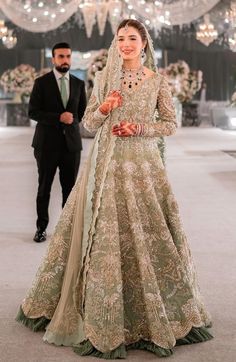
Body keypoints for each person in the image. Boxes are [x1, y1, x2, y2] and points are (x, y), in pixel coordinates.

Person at [17, 20, 213, 358]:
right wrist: (105, 108)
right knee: (104, 233)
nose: (125, 44)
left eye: (132, 39)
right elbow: (89, 122)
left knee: (147, 231)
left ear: (144, 44)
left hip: (143, 167)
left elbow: (170, 125)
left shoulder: (157, 81)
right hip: (105, 165)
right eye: (120, 38)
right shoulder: (106, 77)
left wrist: (138, 127)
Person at [29, 42, 87, 243]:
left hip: (71, 146)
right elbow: (33, 112)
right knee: (44, 187)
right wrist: (58, 118)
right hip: (46, 145)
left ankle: (66, 231)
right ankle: (41, 228)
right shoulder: (41, 83)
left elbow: (82, 114)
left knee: (69, 190)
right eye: (61, 56)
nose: (65, 60)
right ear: (53, 59)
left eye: (68, 56)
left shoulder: (79, 84)